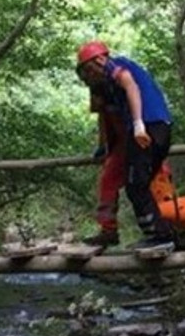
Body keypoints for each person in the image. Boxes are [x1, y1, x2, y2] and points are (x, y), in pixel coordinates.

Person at [75, 41, 176, 253]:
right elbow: (105, 116)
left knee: (137, 185)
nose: (90, 76)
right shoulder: (104, 85)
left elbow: (130, 84)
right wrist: (103, 146)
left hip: (147, 127)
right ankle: (126, 231)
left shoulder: (114, 66)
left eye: (89, 70)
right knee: (125, 181)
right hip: (149, 130)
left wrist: (139, 125)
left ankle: (161, 235)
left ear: (99, 60)